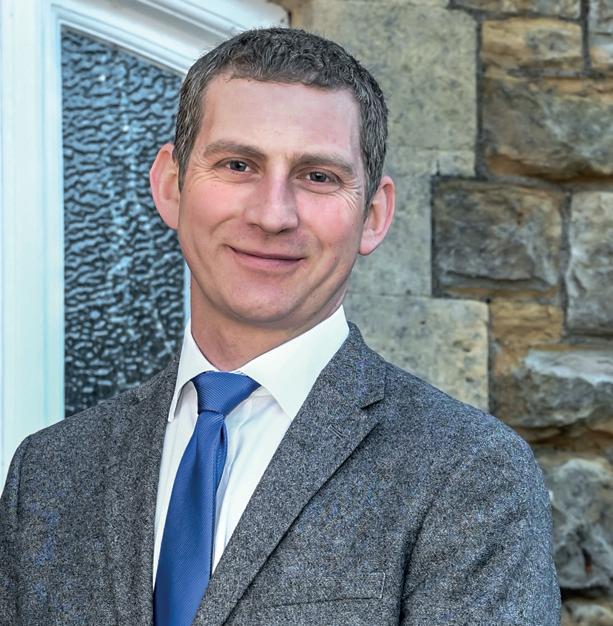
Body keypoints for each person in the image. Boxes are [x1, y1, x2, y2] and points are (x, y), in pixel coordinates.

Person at [0, 27, 560, 625]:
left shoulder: (468, 471)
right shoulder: (50, 472)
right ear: (170, 186)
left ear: (373, 216)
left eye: (318, 176)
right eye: (238, 164)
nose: (272, 214)